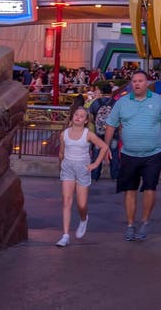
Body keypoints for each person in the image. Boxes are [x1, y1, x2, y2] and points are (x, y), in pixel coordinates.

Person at [104, 70, 161, 242]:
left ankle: (145, 221)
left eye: (140, 81)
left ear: (147, 83)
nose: (136, 84)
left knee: (150, 187)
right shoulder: (122, 102)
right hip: (129, 154)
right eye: (134, 81)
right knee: (130, 189)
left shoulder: (159, 101)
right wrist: (105, 147)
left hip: (153, 153)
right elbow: (110, 125)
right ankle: (130, 225)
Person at [56, 106, 109, 247]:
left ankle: (84, 219)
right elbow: (61, 152)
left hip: (82, 168)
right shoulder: (64, 134)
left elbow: (104, 146)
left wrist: (95, 164)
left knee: (81, 204)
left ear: (86, 121)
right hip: (67, 167)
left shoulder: (88, 134)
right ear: (72, 117)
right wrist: (61, 165)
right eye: (76, 114)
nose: (78, 117)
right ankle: (65, 235)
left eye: (81, 116)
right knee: (66, 201)